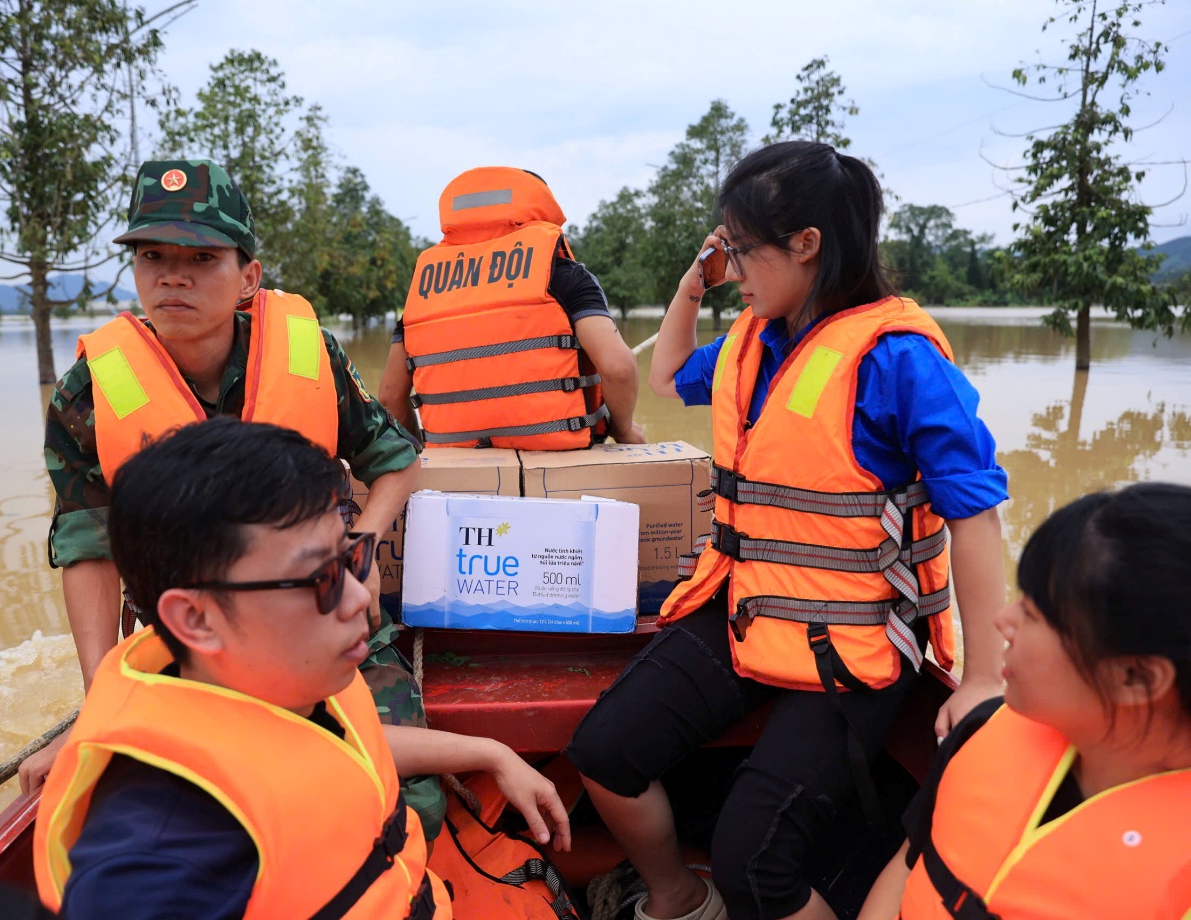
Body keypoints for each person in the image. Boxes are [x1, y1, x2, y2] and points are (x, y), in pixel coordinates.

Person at [565, 141, 1009, 920]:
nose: (730, 268)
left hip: (855, 634)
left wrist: (982, 678)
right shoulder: (754, 339)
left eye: (739, 250)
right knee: (602, 752)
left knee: (756, 857)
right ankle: (676, 901)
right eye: (723, 250)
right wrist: (690, 286)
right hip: (749, 603)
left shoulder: (900, 360)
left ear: (808, 245)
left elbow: (974, 512)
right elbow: (668, 375)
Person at [34, 420, 570, 919]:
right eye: (320, 578)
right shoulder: (157, 861)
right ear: (196, 618)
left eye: (351, 559)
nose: (360, 596)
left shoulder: (273, 677)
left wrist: (491, 753)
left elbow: (343, 743)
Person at [23, 158, 422, 793]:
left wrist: (362, 547)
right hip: (190, 641)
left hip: (317, 613)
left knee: (401, 796)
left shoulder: (307, 352)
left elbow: (397, 460)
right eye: (152, 256)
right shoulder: (92, 389)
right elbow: (87, 545)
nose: (173, 277)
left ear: (247, 276)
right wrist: (102, 699)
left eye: (202, 258)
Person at [860, 483, 1191, 919]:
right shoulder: (982, 729)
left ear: (1135, 678)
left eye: (1033, 615)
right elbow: (907, 867)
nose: (1002, 619)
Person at [378, 166, 644, 449]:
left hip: (454, 461)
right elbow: (618, 368)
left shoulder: (427, 288)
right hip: (560, 458)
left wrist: (418, 445)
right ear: (542, 210)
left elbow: (390, 396)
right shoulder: (565, 276)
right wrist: (624, 430)